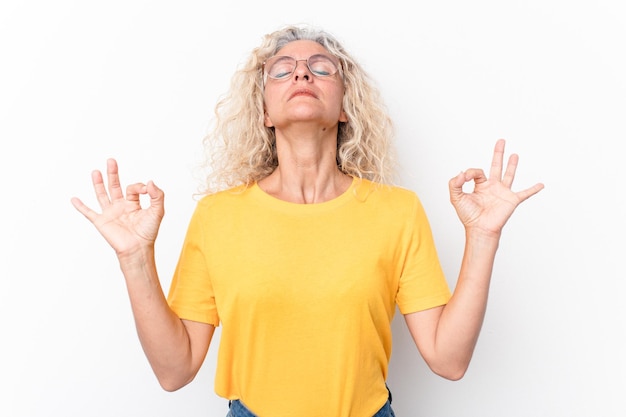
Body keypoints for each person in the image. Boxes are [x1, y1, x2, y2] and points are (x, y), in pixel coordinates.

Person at [71, 24, 544, 417]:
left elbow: (449, 359)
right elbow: (175, 372)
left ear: (343, 108)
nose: (302, 72)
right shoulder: (218, 215)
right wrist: (135, 258)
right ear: (264, 113)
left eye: (322, 68)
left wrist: (483, 237)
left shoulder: (397, 211)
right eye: (282, 70)